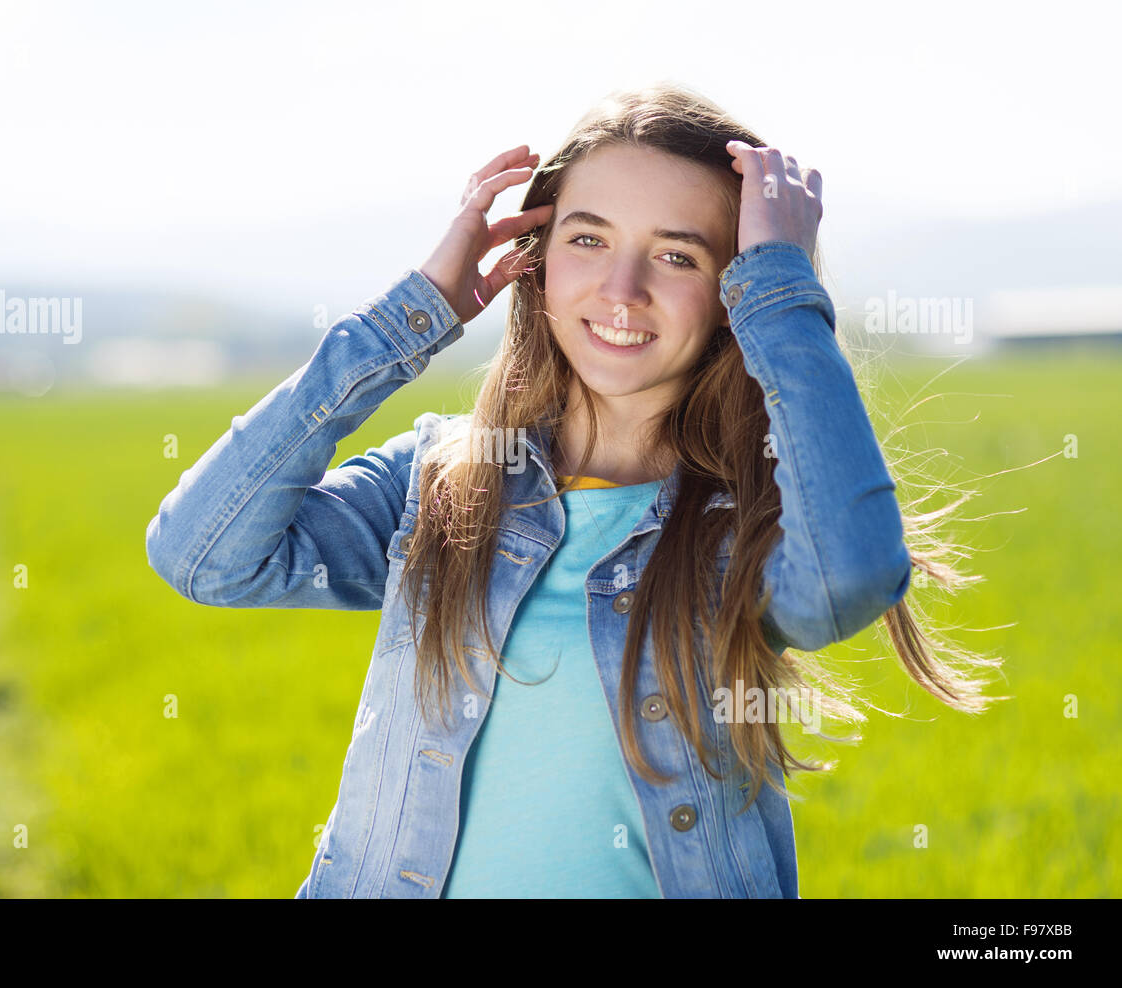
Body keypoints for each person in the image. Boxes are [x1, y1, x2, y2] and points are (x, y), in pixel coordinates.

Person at [144, 83, 1004, 898]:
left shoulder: (745, 524)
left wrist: (783, 292)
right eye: (588, 240)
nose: (621, 292)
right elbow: (203, 556)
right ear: (535, 260)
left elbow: (848, 579)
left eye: (677, 255)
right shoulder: (442, 481)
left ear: (731, 289)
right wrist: (415, 312)